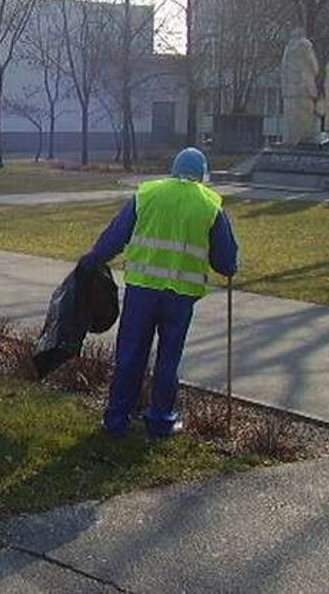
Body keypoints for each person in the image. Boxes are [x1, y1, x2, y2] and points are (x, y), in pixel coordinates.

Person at [79, 147, 238, 438]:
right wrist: (231, 265)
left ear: (174, 168)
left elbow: (115, 236)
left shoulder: (146, 194)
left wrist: (93, 259)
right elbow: (225, 262)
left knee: (130, 354)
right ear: (202, 174)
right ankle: (161, 421)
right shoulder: (210, 204)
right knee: (168, 359)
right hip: (181, 296)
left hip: (142, 290)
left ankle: (116, 420)